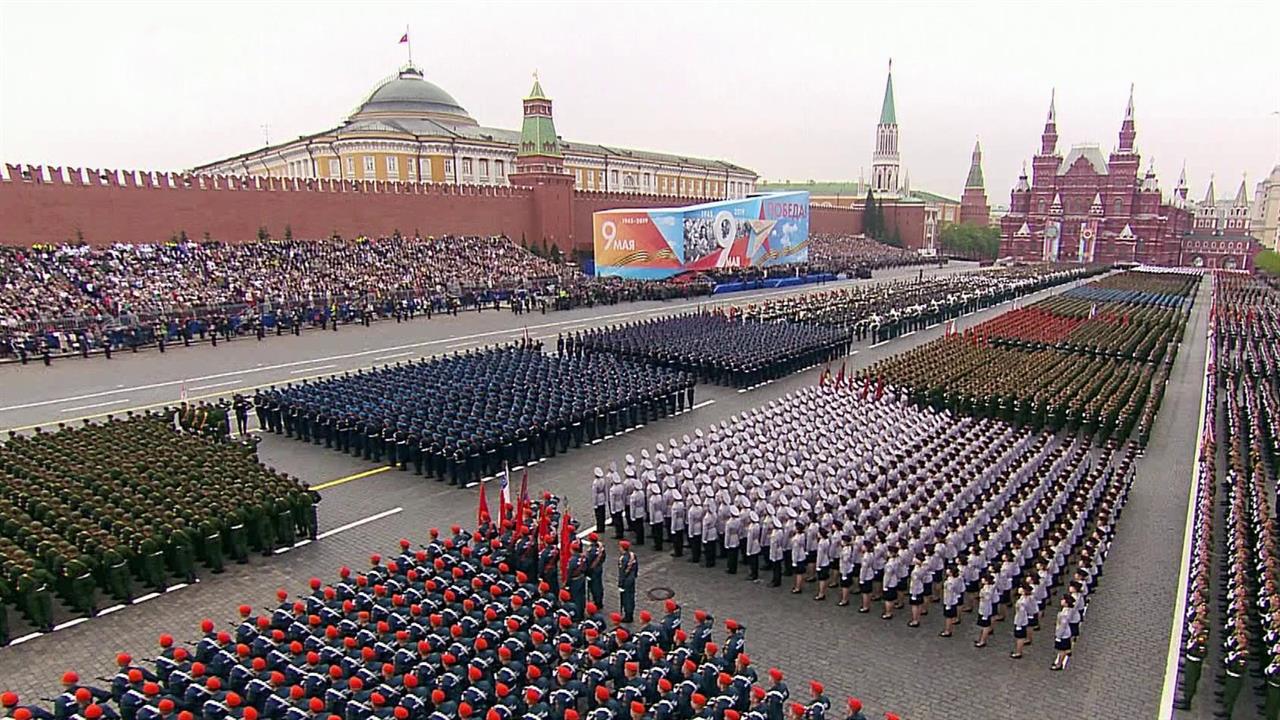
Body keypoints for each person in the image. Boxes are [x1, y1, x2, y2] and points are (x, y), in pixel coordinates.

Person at [1051, 595, 1074, 670]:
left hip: (1063, 634)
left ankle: (1059, 664)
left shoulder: (1064, 614)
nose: (1061, 601)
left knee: (1061, 650)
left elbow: (1062, 626)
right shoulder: (1068, 610)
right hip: (1066, 632)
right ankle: (1067, 651)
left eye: (1063, 600)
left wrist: (1058, 636)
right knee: (1065, 648)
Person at [617, 540, 638, 624]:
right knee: (631, 596)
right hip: (632, 579)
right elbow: (636, 567)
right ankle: (630, 613)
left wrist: (620, 584)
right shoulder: (633, 555)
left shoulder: (623, 559)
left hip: (626, 581)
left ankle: (628, 616)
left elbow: (622, 573)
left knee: (626, 599)